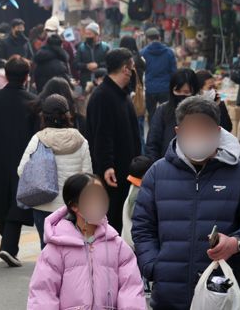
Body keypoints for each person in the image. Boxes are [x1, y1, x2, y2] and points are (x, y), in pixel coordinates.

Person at [132, 96, 240, 309]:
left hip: (219, 291)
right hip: (169, 293)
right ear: (178, 132)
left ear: (217, 131)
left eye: (203, 129)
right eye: (191, 129)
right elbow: (142, 226)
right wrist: (153, 267)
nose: (197, 136)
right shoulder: (157, 174)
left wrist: (236, 243)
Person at [27, 173, 146, 309]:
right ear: (74, 206)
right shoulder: (56, 249)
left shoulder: (118, 246)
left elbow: (131, 291)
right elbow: (43, 294)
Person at [17, 94, 92, 249]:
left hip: (43, 206)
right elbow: (87, 176)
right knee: (72, 251)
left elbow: (21, 170)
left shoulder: (38, 139)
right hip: (71, 207)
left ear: (44, 116)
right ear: (67, 115)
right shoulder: (81, 141)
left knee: (47, 250)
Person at [86, 48, 141, 233]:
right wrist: (107, 166)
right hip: (113, 174)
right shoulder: (103, 96)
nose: (134, 72)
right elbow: (102, 135)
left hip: (126, 170)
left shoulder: (122, 95)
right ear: (126, 69)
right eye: (132, 67)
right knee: (113, 222)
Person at [0, 56, 37, 267]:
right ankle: (9, 246)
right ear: (26, 77)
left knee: (3, 198)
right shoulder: (32, 102)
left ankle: (8, 245)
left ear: (6, 75)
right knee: (17, 201)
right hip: (23, 159)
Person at [145, 68, 199, 162]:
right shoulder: (163, 111)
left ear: (194, 92)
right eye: (177, 91)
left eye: (186, 92)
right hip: (166, 165)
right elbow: (152, 143)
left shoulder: (202, 111)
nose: (182, 95)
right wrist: (155, 167)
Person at [141, 27, 177, 124]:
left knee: (152, 114)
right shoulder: (169, 52)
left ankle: (153, 134)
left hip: (150, 88)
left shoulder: (143, 53)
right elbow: (174, 72)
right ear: (159, 38)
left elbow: (140, 71)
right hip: (165, 88)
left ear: (147, 39)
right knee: (167, 114)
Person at [121, 155, 153, 249]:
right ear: (145, 175)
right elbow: (137, 217)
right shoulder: (137, 193)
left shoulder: (136, 187)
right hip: (134, 243)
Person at [75, 22, 110, 89]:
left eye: (90, 34)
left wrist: (98, 65)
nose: (87, 36)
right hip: (85, 82)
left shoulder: (105, 47)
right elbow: (76, 64)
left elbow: (109, 63)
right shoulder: (81, 47)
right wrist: (86, 66)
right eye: (86, 34)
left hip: (102, 81)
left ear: (96, 35)